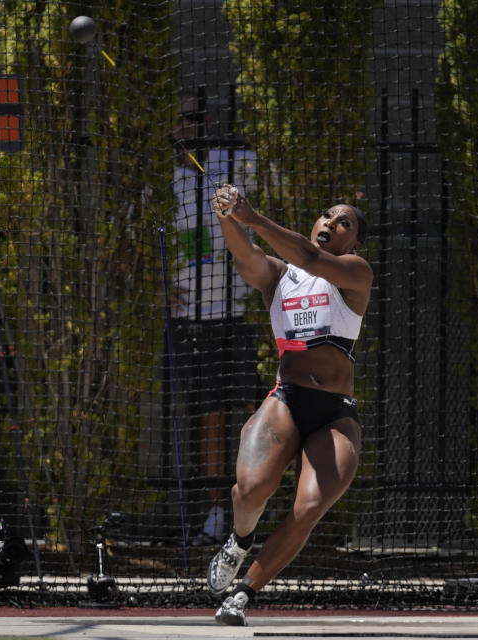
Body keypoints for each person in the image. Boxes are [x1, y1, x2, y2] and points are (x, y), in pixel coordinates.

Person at [205, 184, 372, 626]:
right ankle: (240, 541)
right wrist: (227, 214)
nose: (331, 224)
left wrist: (254, 217)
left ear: (353, 242)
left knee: (309, 508)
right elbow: (247, 257)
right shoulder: (281, 276)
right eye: (326, 215)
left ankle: (243, 593)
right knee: (250, 489)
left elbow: (313, 260)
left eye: (344, 223)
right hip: (288, 398)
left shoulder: (356, 271)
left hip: (335, 411)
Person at [171, 94, 259, 546]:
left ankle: (263, 507)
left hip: (240, 314)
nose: (190, 128)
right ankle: (214, 514)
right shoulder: (170, 180)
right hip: (194, 320)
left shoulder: (239, 163)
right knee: (209, 418)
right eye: (183, 121)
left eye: (196, 119)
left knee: (258, 415)